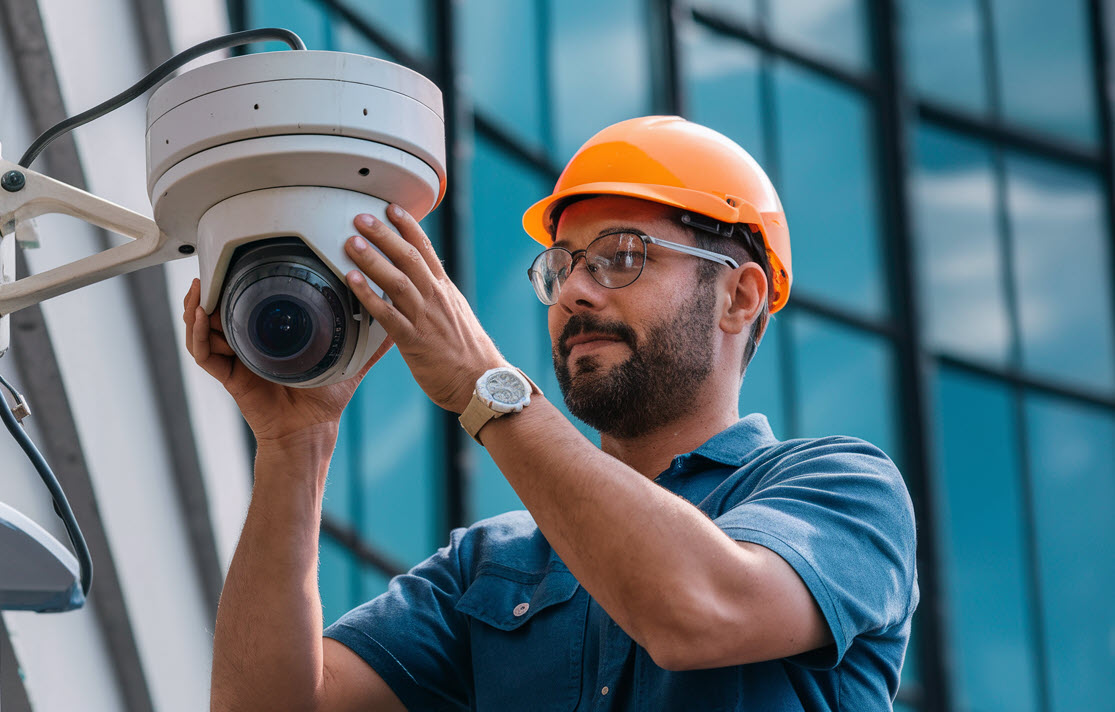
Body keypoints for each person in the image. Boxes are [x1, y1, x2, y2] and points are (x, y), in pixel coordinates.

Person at [187, 116, 917, 711]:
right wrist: (294, 445)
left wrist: (485, 384)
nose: (575, 293)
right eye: (561, 266)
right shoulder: (489, 568)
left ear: (740, 296)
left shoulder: (844, 489)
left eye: (621, 257)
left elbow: (696, 610)